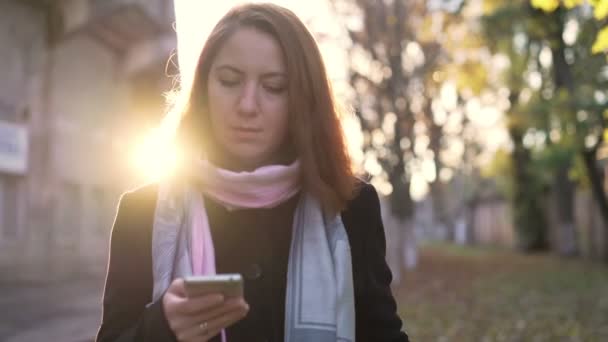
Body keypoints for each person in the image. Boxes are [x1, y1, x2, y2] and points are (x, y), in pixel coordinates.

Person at [96, 3, 409, 342]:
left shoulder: (349, 206)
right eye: (229, 81)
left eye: (273, 87)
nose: (247, 105)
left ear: (302, 100)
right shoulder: (142, 211)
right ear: (203, 91)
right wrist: (160, 327)